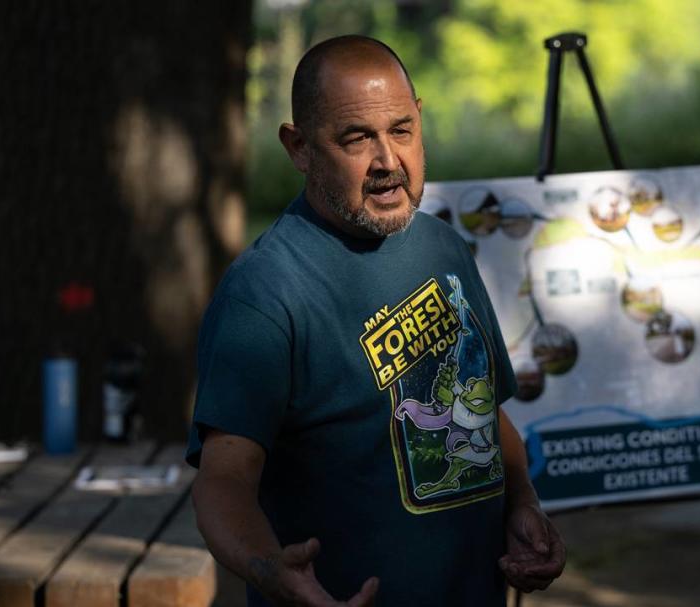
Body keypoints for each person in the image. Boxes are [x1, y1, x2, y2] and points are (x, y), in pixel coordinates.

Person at [186, 35, 565, 606]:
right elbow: (223, 481)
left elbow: (486, 405)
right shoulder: (264, 292)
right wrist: (270, 570)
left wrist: (523, 505)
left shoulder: (442, 246)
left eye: (401, 130)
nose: (388, 161)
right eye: (357, 138)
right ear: (299, 147)